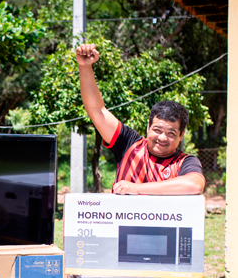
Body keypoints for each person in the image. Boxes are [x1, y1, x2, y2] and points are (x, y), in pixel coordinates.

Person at [75, 43, 205, 195]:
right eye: (157, 130)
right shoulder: (129, 144)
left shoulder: (185, 162)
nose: (162, 138)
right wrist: (85, 66)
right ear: (148, 126)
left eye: (171, 133)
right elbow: (97, 111)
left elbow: (195, 185)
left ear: (181, 135)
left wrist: (136, 189)